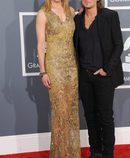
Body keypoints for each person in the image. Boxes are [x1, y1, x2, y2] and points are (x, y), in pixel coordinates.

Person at [74, 0, 124, 158]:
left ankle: (108, 153)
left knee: (105, 116)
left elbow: (118, 45)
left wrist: (107, 69)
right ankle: (95, 151)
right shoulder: (77, 19)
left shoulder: (110, 16)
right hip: (84, 76)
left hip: (104, 76)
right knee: (90, 115)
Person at [36, 0, 81, 157]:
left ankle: (73, 153)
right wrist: (43, 72)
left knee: (72, 111)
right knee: (60, 112)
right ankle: (60, 154)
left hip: (72, 67)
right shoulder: (43, 14)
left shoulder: (70, 11)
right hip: (54, 67)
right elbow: (41, 45)